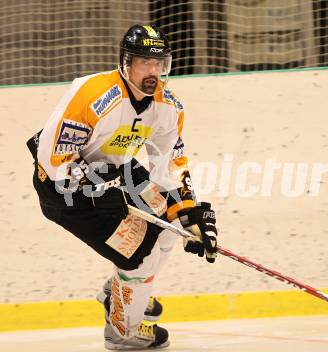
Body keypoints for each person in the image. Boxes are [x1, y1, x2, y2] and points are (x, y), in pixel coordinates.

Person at [26, 24, 218, 350]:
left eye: (159, 64)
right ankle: (122, 332)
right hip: (63, 190)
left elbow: (169, 165)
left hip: (116, 172)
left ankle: (119, 293)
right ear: (126, 62)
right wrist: (99, 186)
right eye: (145, 62)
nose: (153, 72)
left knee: (171, 222)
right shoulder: (93, 95)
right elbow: (55, 160)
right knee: (140, 256)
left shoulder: (168, 107)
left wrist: (189, 211)